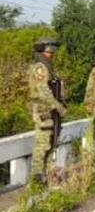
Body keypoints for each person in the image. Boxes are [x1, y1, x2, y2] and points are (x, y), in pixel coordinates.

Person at [27, 38, 66, 186]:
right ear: (43, 51)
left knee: (51, 142)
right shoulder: (40, 68)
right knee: (42, 143)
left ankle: (47, 174)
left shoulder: (48, 67)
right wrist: (57, 106)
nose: (52, 54)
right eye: (50, 51)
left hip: (50, 110)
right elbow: (44, 91)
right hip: (44, 110)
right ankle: (37, 175)